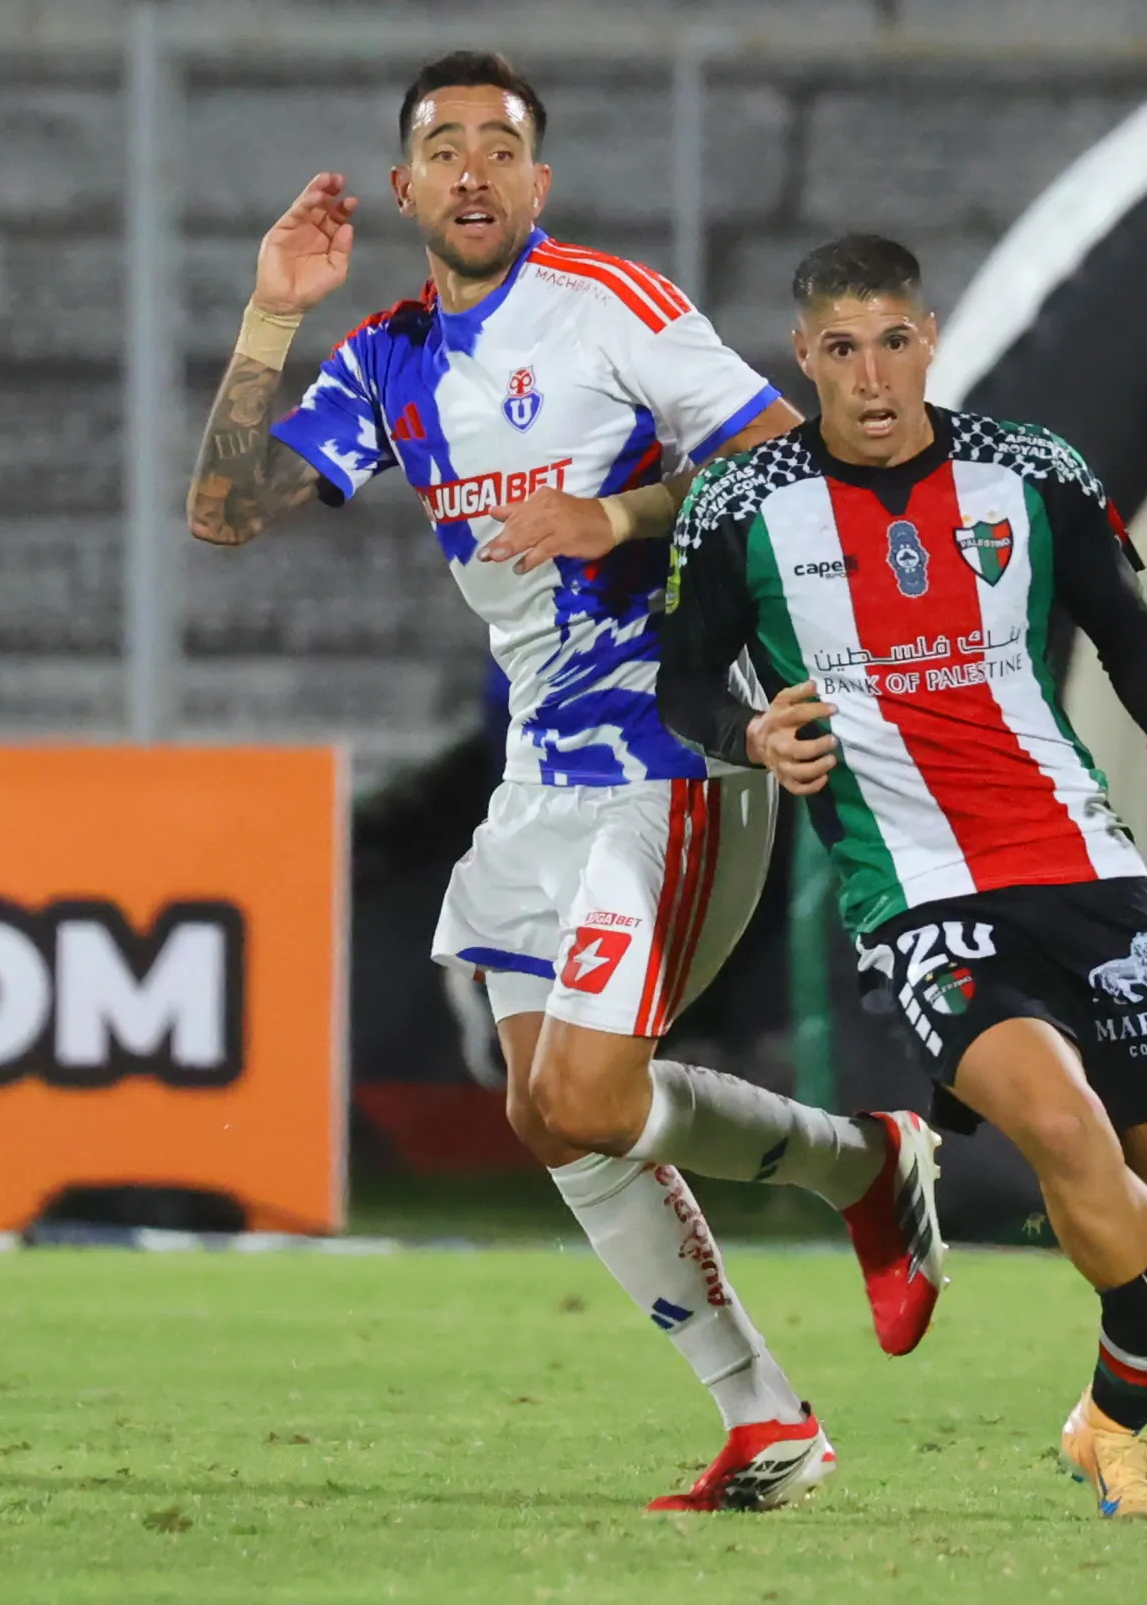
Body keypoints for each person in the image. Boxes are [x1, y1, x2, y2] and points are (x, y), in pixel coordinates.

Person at [183, 53, 945, 1513]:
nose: (471, 167)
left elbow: (793, 462)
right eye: (441, 146)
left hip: (673, 744)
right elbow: (225, 511)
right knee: (547, 1114)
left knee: (588, 1096)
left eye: (500, 145)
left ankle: (861, 1171)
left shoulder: (609, 306)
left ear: (540, 181)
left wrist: (619, 505)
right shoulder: (391, 358)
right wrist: (274, 308)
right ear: (402, 187)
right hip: (541, 771)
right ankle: (768, 1413)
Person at [658, 234, 1147, 1521]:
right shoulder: (737, 508)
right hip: (920, 895)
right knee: (1068, 1133)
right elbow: (680, 675)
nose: (870, 375)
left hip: (1086, 864)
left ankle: (1104, 1427)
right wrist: (745, 732)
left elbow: (1125, 623)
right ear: (802, 359)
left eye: (893, 341)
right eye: (840, 349)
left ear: (931, 339)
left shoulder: (1031, 470)